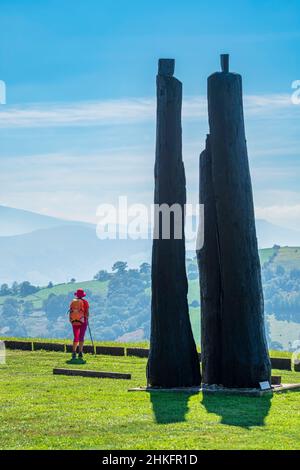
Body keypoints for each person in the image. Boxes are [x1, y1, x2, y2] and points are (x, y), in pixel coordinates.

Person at [69, 288, 89, 360]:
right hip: (83, 321)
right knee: (81, 336)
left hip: (74, 321)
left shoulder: (73, 302)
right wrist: (87, 318)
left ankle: (74, 352)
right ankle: (80, 352)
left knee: (76, 336)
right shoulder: (85, 302)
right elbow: (87, 313)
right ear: (83, 295)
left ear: (77, 295)